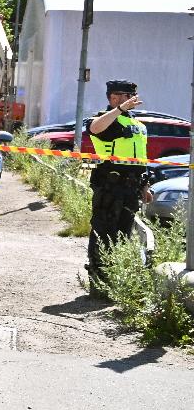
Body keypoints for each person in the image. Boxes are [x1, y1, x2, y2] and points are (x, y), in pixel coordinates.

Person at [84, 78, 150, 285]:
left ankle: (114, 279)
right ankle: (98, 277)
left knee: (123, 233)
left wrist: (145, 185)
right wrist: (119, 110)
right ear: (112, 98)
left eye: (128, 96)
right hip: (109, 186)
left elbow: (141, 158)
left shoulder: (138, 125)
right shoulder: (105, 120)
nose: (126, 100)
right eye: (119, 97)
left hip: (131, 187)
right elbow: (94, 129)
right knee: (104, 230)